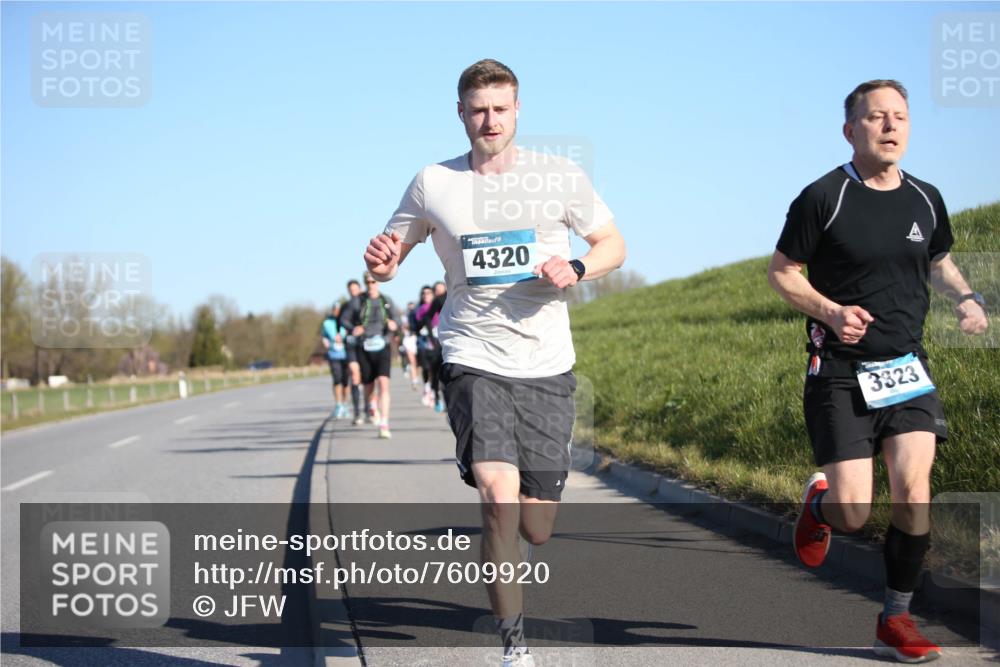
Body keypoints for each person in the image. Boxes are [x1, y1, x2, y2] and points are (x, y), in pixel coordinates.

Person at [363, 59, 626, 667]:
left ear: (518, 111)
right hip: (471, 356)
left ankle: (514, 564)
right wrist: (379, 264)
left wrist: (577, 267)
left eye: (500, 109)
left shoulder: (558, 176)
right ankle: (515, 648)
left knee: (537, 527)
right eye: (478, 109)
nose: (489, 120)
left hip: (547, 361)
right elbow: (388, 259)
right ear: (460, 113)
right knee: (496, 495)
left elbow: (613, 244)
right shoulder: (433, 182)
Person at [768, 79, 988, 664]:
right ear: (850, 129)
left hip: (906, 368)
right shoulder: (824, 196)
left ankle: (895, 617)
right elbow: (783, 272)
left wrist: (967, 299)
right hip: (839, 371)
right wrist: (833, 312)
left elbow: (938, 258)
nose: (890, 126)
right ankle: (820, 506)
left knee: (915, 492)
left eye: (899, 117)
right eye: (875, 117)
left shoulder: (926, 197)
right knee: (854, 511)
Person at [342, 271, 400, 439]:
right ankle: (371, 404)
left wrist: (393, 325)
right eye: (368, 282)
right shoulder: (357, 301)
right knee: (368, 386)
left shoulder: (386, 301)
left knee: (383, 383)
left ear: (378, 283)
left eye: (373, 282)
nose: (371, 285)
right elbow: (344, 320)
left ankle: (384, 423)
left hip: (383, 345)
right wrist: (354, 328)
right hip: (364, 346)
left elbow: (397, 321)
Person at [415, 282, 446, 411]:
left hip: (447, 339)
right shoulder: (433, 304)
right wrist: (431, 338)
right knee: (432, 369)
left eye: (441, 291)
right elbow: (425, 320)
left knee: (444, 371)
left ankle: (444, 398)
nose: (439, 294)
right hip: (431, 341)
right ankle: (435, 395)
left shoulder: (452, 298)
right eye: (436, 291)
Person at [339, 279, 367, 425]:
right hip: (351, 343)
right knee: (355, 375)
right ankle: (357, 413)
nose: (354, 293)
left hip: (366, 343)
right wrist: (352, 328)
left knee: (368, 378)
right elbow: (341, 321)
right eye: (351, 291)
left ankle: (369, 408)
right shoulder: (346, 305)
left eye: (356, 289)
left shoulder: (367, 300)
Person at [320, 303, 350, 418]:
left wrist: (344, 337)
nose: (337, 312)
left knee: (346, 382)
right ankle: (338, 405)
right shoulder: (327, 323)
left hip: (346, 354)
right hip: (333, 355)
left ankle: (346, 404)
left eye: (339, 310)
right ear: (333, 311)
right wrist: (326, 342)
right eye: (335, 310)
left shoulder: (345, 322)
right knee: (337, 380)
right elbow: (324, 336)